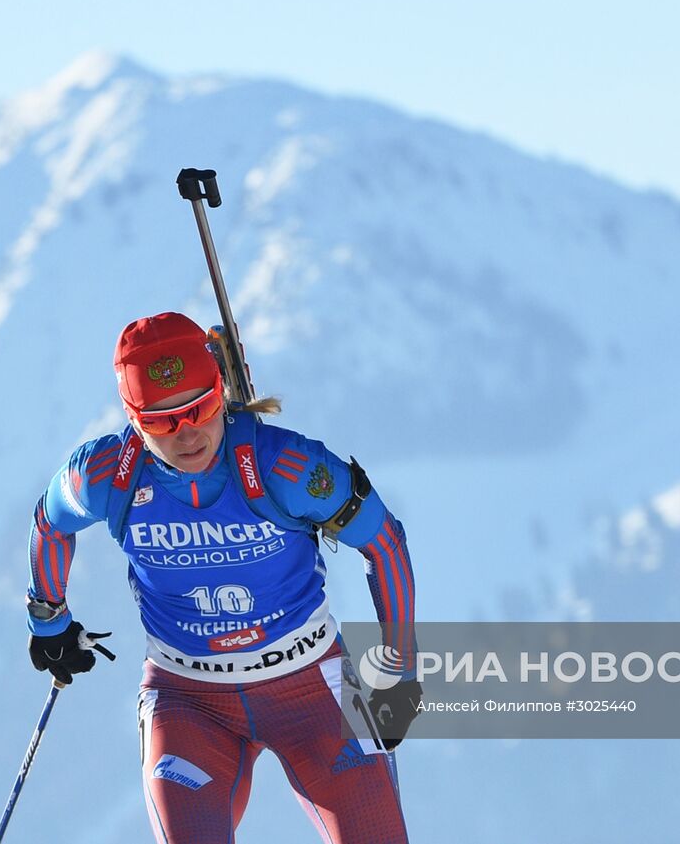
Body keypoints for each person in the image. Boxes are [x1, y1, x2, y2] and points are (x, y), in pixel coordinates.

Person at [23, 311, 421, 843]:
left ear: (221, 391)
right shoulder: (105, 475)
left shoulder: (286, 466)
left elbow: (384, 542)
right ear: (132, 417)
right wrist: (49, 620)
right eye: (162, 422)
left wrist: (400, 670)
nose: (187, 435)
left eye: (201, 409)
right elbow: (50, 522)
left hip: (315, 691)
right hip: (188, 703)